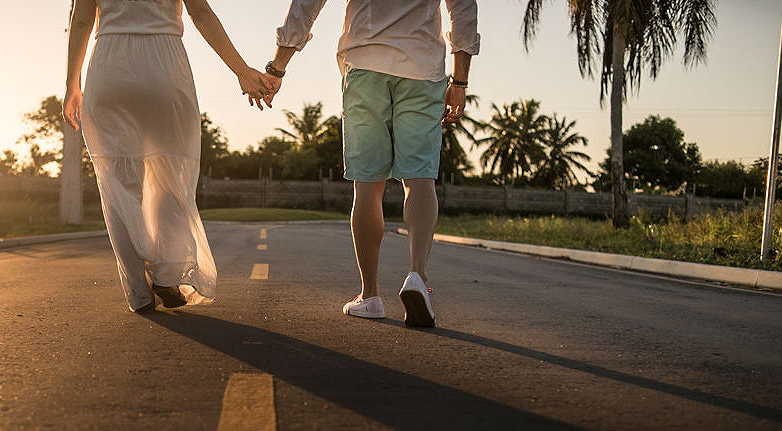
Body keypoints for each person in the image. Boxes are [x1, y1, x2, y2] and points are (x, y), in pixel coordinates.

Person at [263, 0, 479, 327]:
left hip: (365, 63)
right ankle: (417, 277)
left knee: (367, 186)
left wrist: (278, 65)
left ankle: (370, 296)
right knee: (420, 181)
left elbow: (307, 4)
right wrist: (460, 82)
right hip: (422, 68)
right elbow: (463, 8)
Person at [64, 0, 275, 313]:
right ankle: (168, 274)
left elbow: (81, 21)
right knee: (170, 177)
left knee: (119, 184)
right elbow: (200, 13)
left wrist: (72, 84)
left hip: (110, 67)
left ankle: (139, 292)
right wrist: (241, 71)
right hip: (164, 66)